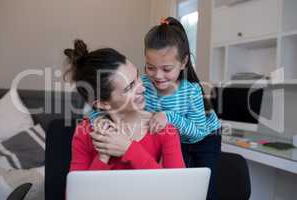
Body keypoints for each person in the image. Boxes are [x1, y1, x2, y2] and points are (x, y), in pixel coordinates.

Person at [89, 17, 221, 200]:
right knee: (179, 180)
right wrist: (99, 119)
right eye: (150, 67)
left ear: (183, 63)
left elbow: (197, 132)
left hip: (204, 138)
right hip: (174, 137)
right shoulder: (141, 84)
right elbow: (105, 103)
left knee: (204, 188)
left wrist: (169, 117)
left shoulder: (191, 91)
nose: (157, 76)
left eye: (167, 69)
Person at [64, 39, 185, 171]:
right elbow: (77, 191)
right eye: (129, 87)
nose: (142, 88)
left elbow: (177, 188)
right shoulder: (85, 132)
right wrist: (103, 156)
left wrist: (129, 149)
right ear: (103, 103)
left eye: (138, 77)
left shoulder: (163, 128)